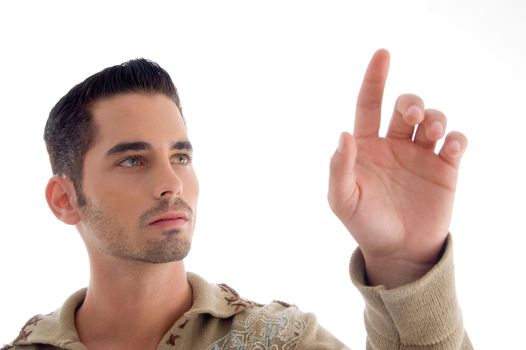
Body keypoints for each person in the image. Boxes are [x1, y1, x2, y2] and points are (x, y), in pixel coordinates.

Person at [2, 49, 473, 350]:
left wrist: (405, 264)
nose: (172, 184)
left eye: (181, 157)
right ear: (65, 199)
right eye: (132, 161)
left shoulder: (279, 343)